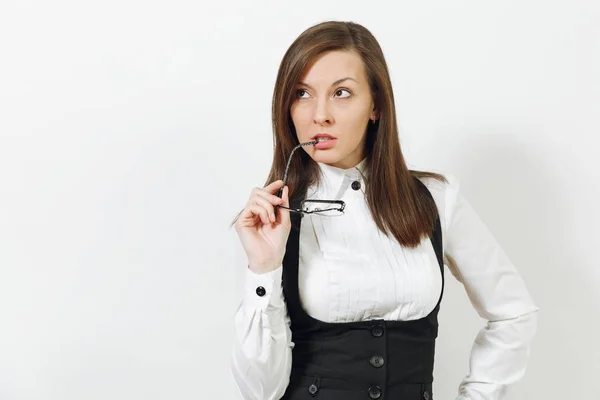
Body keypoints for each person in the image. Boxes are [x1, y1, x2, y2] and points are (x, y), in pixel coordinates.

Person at [228, 20, 539, 400]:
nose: (319, 114)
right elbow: (260, 390)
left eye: (341, 92)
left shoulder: (436, 197)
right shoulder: (278, 219)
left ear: (375, 105)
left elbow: (514, 313)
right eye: (302, 93)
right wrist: (263, 267)